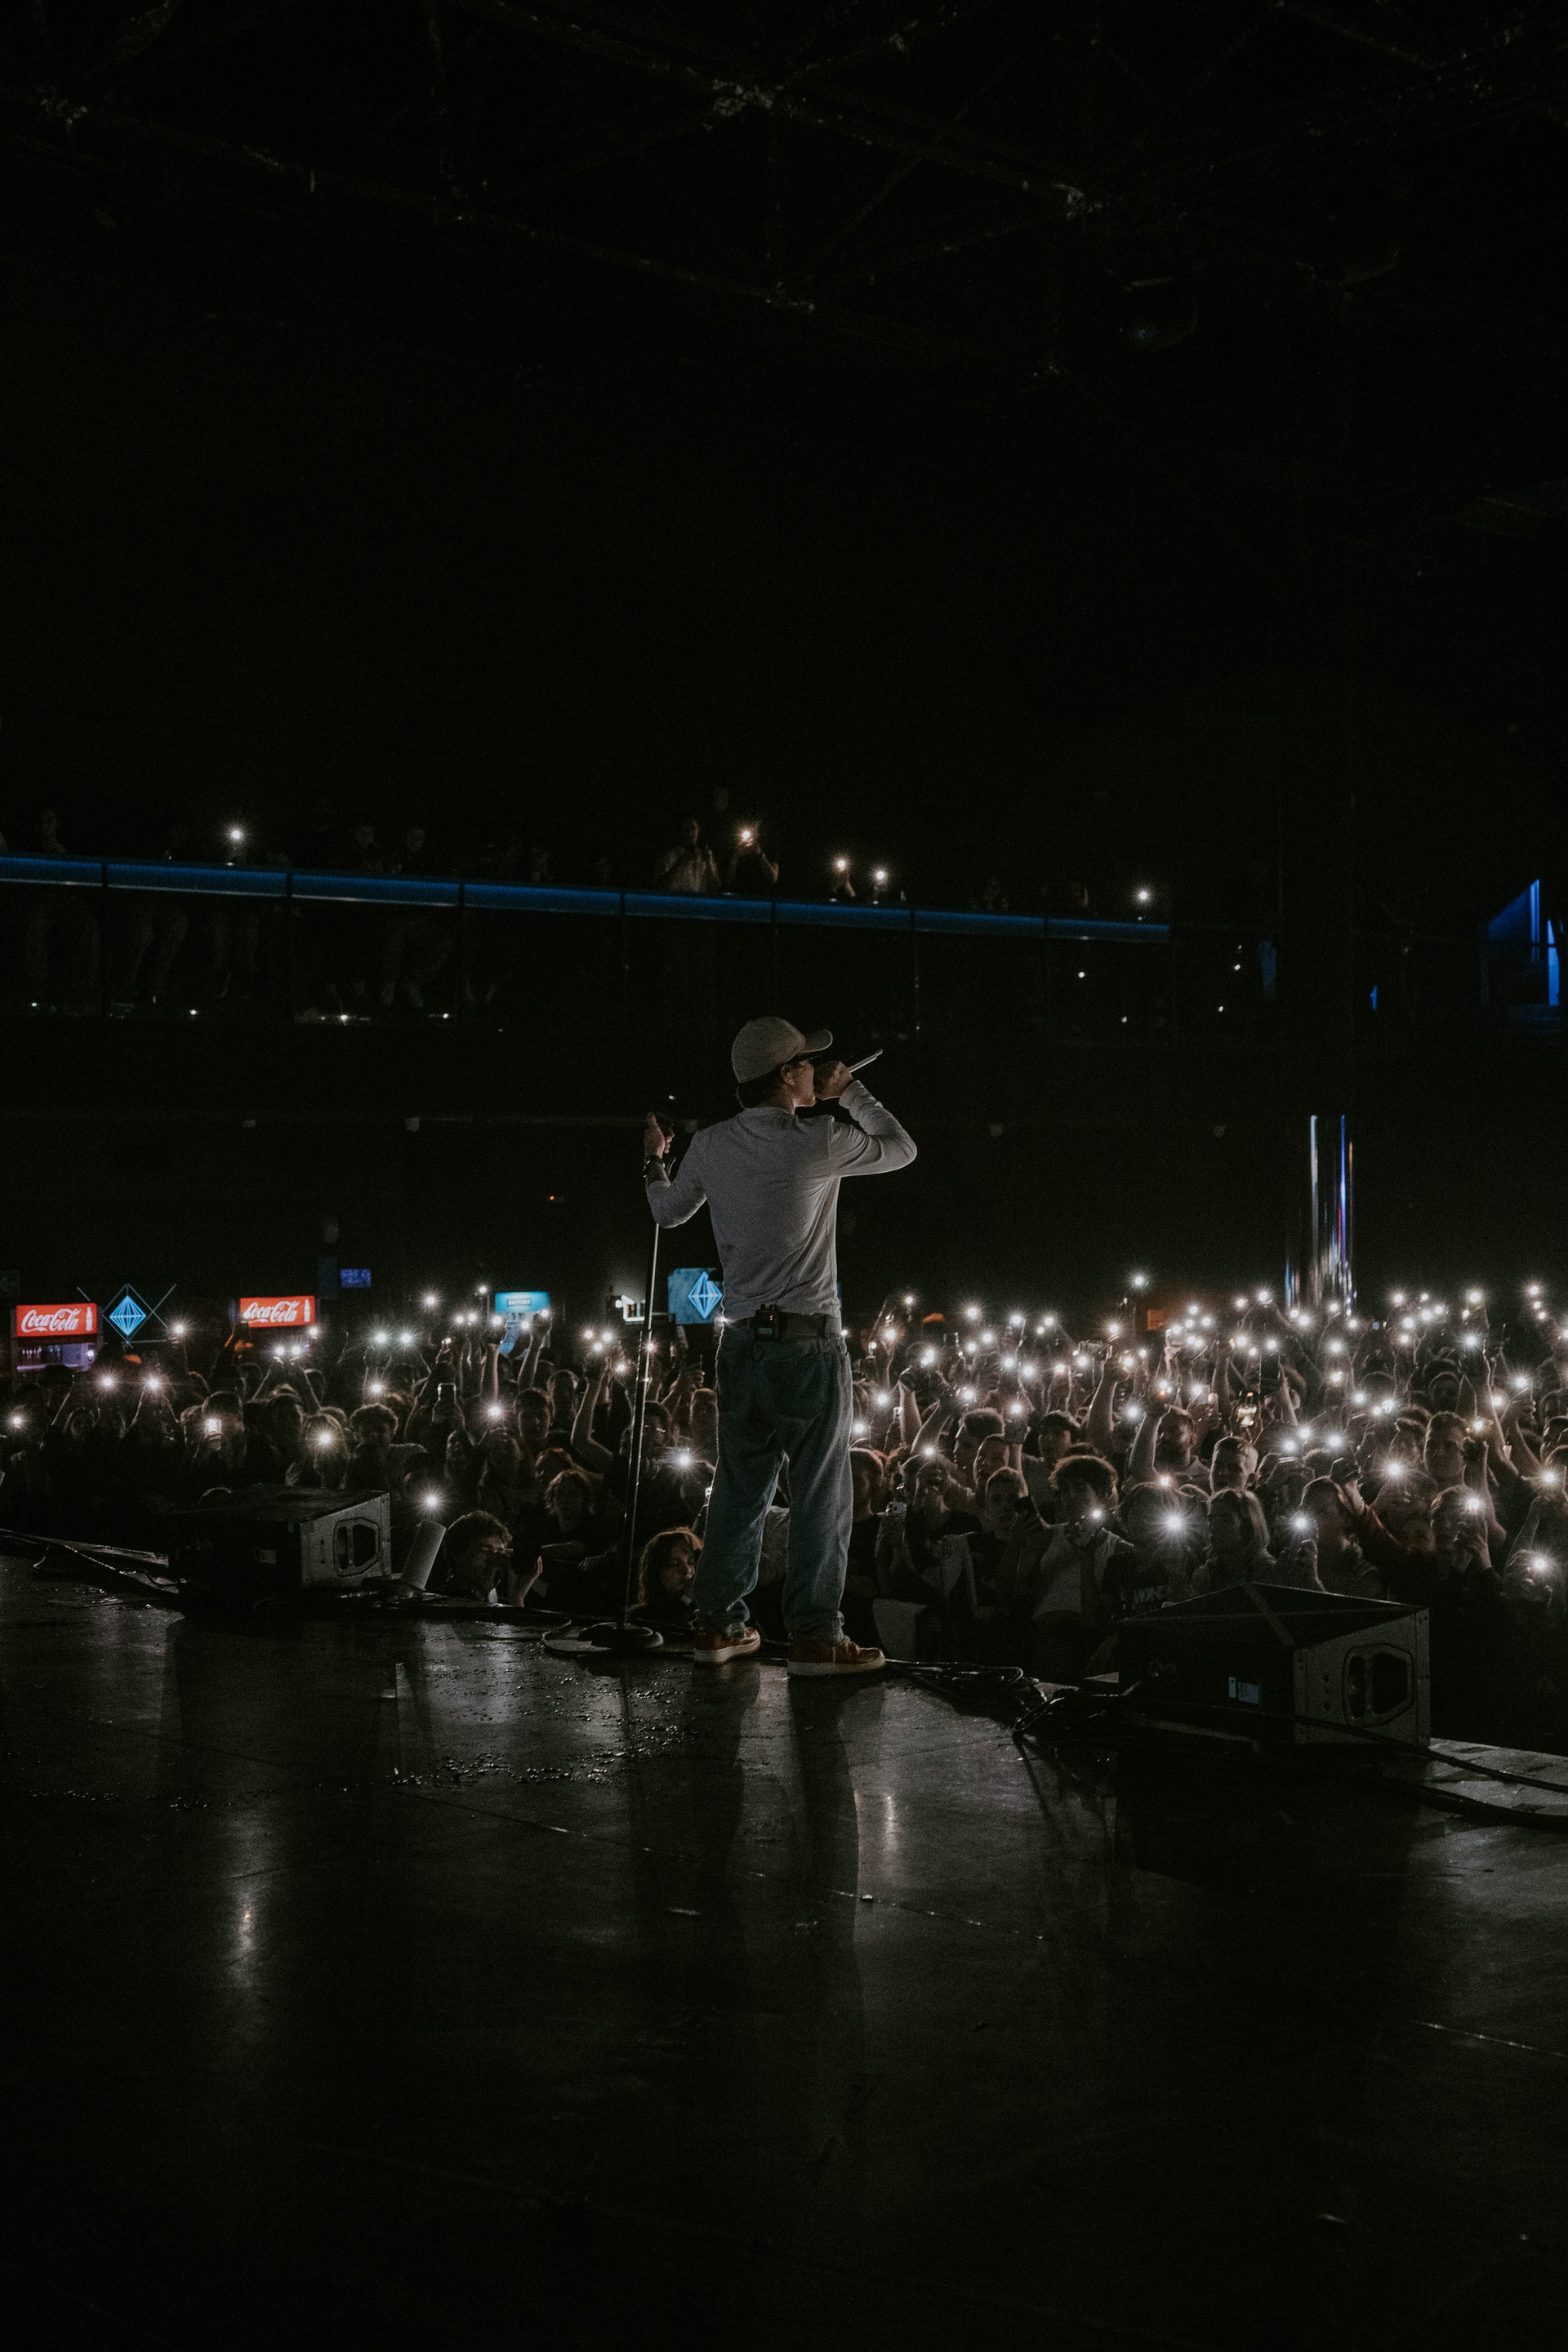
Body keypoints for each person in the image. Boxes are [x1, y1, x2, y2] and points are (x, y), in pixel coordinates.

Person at [643, 1014, 916, 1673]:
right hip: (807, 1342)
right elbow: (902, 1148)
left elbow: (666, 1212)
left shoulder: (709, 1144)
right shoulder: (817, 1138)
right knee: (821, 1494)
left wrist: (654, 1159)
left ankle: (718, 1626)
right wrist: (849, 1092)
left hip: (740, 1344)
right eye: (808, 1064)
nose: (816, 1070)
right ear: (790, 1074)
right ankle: (816, 1636)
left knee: (740, 1490)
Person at [654, 817, 721, 895]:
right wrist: (679, 863)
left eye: (693, 828)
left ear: (698, 830)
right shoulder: (671, 856)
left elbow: (715, 889)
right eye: (686, 830)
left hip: (699, 901)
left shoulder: (706, 856)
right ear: (681, 832)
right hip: (677, 900)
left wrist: (708, 864)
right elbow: (660, 887)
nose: (690, 833)